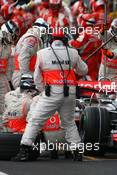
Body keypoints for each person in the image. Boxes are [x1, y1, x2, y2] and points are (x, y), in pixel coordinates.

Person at [12, 30, 88, 161]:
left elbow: (36, 78)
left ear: (50, 40)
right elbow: (84, 70)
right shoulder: (73, 53)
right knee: (69, 123)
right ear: (64, 40)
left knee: (35, 121)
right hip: (70, 92)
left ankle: (24, 152)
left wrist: (43, 90)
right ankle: (77, 153)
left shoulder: (42, 54)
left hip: (51, 93)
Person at [12, 18, 49, 88]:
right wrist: (26, 76)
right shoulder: (32, 39)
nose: (46, 33)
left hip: (24, 72)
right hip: (23, 74)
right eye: (45, 31)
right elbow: (23, 57)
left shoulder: (33, 37)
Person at [69, 16, 102, 81]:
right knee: (92, 75)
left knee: (79, 75)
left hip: (86, 58)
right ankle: (93, 90)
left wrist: (70, 42)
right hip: (95, 58)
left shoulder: (86, 32)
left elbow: (77, 45)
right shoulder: (97, 32)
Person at [0, 20, 19, 116]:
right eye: (12, 34)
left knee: (5, 99)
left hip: (3, 76)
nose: (14, 37)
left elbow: (8, 67)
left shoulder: (8, 46)